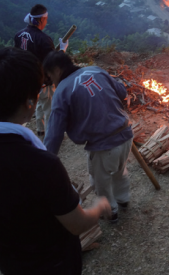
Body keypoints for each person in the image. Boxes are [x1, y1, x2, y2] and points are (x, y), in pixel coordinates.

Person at [0, 48, 111, 275]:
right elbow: (76, 224)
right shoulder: (41, 164)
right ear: (30, 103)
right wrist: (99, 207)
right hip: (54, 263)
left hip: (8, 261)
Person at [43, 51, 133, 224]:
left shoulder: (62, 91)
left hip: (103, 145)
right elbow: (122, 92)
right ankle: (123, 199)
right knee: (120, 170)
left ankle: (111, 212)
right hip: (126, 134)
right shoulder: (96, 70)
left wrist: (46, 158)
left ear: (56, 70)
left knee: (101, 181)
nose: (51, 81)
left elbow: (54, 133)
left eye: (49, 76)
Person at [14, 4, 68, 138]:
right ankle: (51, 134)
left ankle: (40, 129)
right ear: (42, 20)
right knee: (50, 107)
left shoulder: (19, 35)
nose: (47, 22)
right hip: (42, 79)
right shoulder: (43, 39)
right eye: (46, 19)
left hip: (27, 79)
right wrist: (62, 49)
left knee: (38, 103)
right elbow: (53, 61)